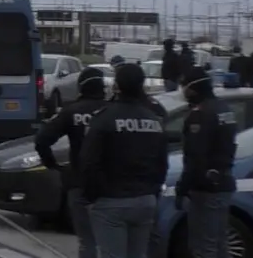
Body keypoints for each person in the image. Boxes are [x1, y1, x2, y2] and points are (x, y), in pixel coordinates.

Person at [80, 63, 168, 258]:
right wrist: (152, 192)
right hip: (145, 200)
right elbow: (162, 163)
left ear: (116, 87)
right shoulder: (154, 120)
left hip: (111, 201)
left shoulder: (104, 118)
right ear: (142, 85)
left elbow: (89, 162)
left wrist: (92, 196)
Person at [35, 66, 109, 258]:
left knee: (87, 241)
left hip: (79, 181)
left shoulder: (72, 111)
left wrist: (52, 165)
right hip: (111, 185)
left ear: (81, 88)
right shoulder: (112, 111)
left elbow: (42, 139)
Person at [175, 66, 238, 258]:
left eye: (184, 86)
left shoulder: (200, 115)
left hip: (205, 189)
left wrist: (182, 188)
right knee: (219, 244)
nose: (183, 91)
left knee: (203, 247)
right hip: (223, 183)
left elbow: (195, 156)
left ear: (193, 88)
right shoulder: (224, 109)